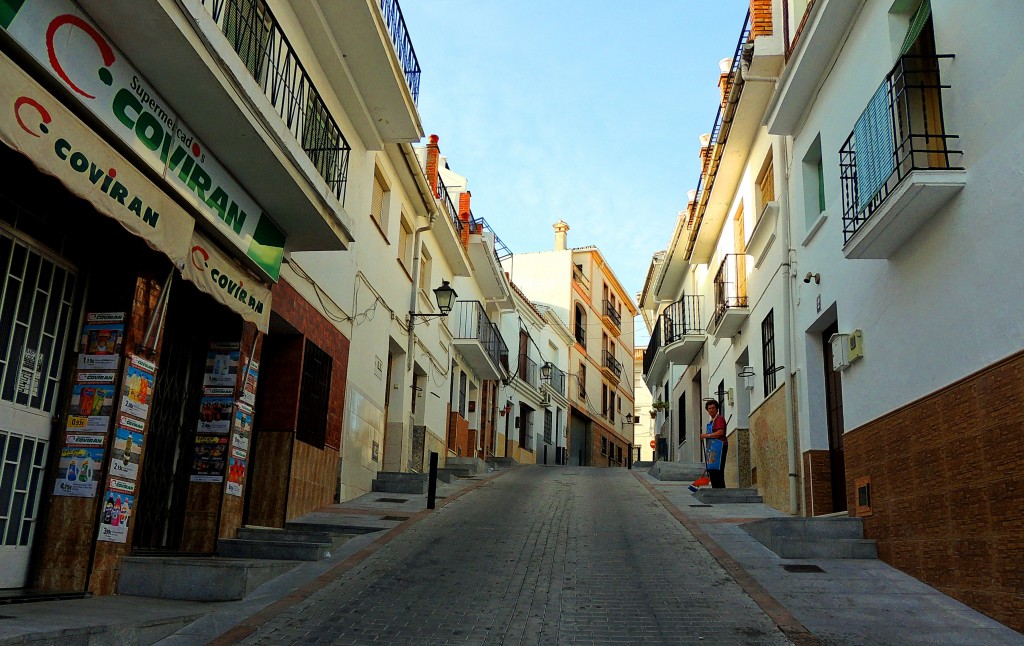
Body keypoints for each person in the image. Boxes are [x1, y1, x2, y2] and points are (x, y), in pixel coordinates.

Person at [701, 399, 728, 488]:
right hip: (712, 450)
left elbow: (721, 432)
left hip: (719, 448)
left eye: (713, 408)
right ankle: (715, 489)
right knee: (712, 470)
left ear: (717, 409)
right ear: (707, 410)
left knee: (718, 470)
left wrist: (707, 435)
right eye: (709, 408)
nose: (711, 410)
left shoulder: (719, 419)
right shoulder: (711, 422)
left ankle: (720, 490)